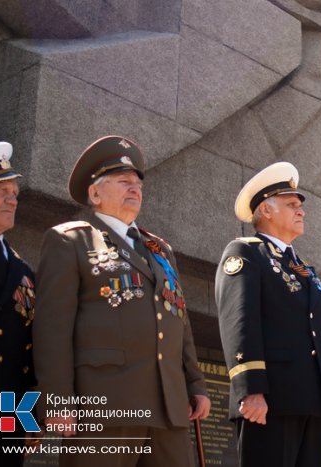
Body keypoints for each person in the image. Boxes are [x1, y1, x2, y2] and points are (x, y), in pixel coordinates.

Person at [33, 136, 210, 467]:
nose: (135, 189)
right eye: (124, 181)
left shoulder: (160, 250)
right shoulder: (70, 240)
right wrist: (57, 401)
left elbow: (178, 321)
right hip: (106, 403)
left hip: (168, 405)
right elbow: (52, 329)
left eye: (138, 184)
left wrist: (195, 383)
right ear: (95, 193)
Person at [215, 161, 321, 467]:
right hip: (272, 399)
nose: (301, 211)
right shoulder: (245, 252)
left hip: (312, 402)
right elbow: (239, 320)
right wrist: (251, 389)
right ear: (266, 211)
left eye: (300, 205)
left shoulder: (305, 270)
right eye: (292, 204)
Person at [0, 142, 37, 467]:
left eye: (15, 192)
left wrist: (27, 419)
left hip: (7, 421)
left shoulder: (24, 272)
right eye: (1, 190)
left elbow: (26, 354)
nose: (12, 199)